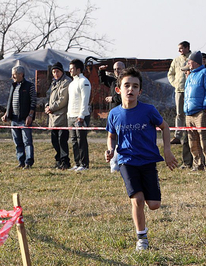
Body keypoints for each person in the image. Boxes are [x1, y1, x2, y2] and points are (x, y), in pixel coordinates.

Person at [105, 67, 177, 251]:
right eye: (127, 85)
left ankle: (146, 195)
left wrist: (167, 151)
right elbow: (111, 135)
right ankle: (142, 239)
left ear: (140, 91)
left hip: (148, 161)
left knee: (153, 205)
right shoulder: (114, 114)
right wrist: (110, 149)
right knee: (137, 200)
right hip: (126, 161)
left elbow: (165, 127)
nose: (131, 89)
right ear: (118, 90)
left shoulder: (148, 110)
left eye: (135, 86)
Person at [184, 51, 206, 171]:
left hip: (201, 112)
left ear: (196, 62)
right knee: (192, 141)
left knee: (205, 139)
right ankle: (198, 164)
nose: (188, 63)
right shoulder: (190, 75)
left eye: (190, 61)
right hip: (189, 113)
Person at [2, 65, 37, 169]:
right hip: (14, 119)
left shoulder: (29, 86)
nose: (12, 76)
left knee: (27, 141)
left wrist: (30, 115)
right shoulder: (13, 86)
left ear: (21, 74)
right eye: (12, 74)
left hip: (25, 119)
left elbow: (33, 102)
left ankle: (29, 162)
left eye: (15, 74)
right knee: (17, 142)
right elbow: (10, 102)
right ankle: (21, 161)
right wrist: (6, 114)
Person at [98, 61, 126, 172]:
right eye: (115, 69)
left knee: (122, 139)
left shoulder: (127, 82)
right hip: (113, 114)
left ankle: (123, 162)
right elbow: (103, 80)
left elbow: (127, 97)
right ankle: (114, 162)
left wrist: (113, 99)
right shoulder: (114, 81)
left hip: (124, 114)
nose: (117, 71)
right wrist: (101, 71)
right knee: (112, 137)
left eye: (119, 69)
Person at [45, 62, 71, 170]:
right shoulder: (53, 83)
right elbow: (48, 96)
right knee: (54, 141)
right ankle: (58, 159)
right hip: (52, 118)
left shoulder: (66, 82)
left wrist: (51, 107)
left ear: (62, 71)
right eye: (54, 72)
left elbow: (62, 100)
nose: (55, 74)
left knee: (62, 140)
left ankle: (65, 161)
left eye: (57, 71)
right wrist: (47, 106)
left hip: (62, 117)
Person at [67, 59, 92, 171]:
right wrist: (69, 114)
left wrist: (81, 115)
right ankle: (77, 163)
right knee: (73, 140)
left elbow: (85, 100)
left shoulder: (84, 81)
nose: (70, 71)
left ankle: (84, 164)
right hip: (71, 116)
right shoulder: (72, 83)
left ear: (78, 69)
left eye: (72, 69)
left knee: (81, 140)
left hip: (80, 116)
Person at [168, 41, 191, 145]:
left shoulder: (193, 58)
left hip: (191, 90)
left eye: (181, 48)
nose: (179, 50)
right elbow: (170, 74)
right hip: (179, 90)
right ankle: (178, 135)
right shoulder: (176, 60)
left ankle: (189, 134)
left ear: (187, 48)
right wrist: (175, 83)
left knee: (190, 113)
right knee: (179, 113)